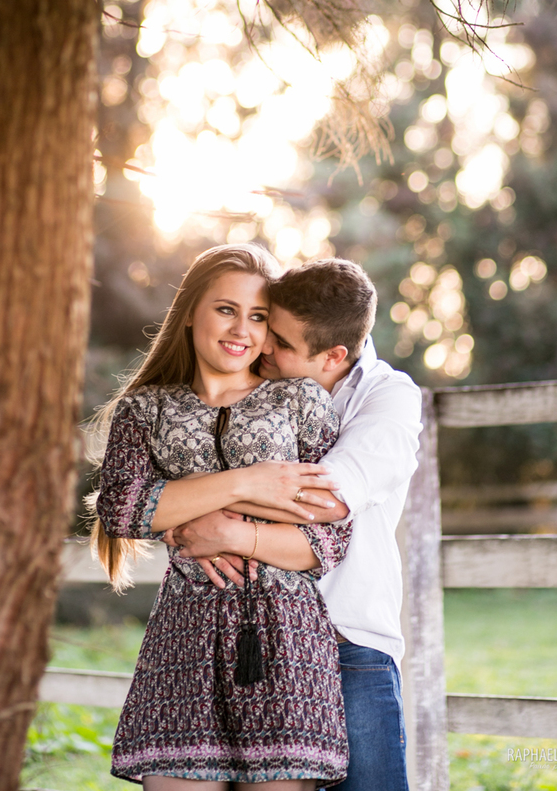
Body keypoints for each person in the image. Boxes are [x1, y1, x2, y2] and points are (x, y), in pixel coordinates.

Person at [91, 244, 353, 790]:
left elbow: (327, 536)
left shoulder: (297, 400)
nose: (242, 329)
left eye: (258, 316)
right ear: (190, 311)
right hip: (182, 644)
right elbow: (122, 508)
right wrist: (248, 482)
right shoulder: (146, 409)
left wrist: (229, 530)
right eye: (226, 309)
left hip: (287, 643)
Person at [170, 259, 423, 791]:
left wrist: (226, 518)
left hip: (346, 644)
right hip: (250, 635)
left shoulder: (387, 397)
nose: (262, 347)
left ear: (333, 355)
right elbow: (166, 481)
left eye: (280, 341)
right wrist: (197, 505)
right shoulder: (245, 386)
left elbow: (329, 498)